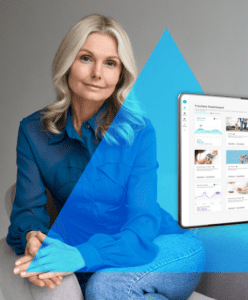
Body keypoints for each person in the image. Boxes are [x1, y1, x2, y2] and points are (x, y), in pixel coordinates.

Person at [6, 14, 205, 299]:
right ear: (67, 62)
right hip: (105, 259)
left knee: (105, 287)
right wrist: (34, 241)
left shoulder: (139, 132)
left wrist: (79, 255)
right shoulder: (33, 131)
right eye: (86, 58)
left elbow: (142, 227)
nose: (97, 73)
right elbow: (27, 211)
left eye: (110, 63)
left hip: (165, 246)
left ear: (120, 74)